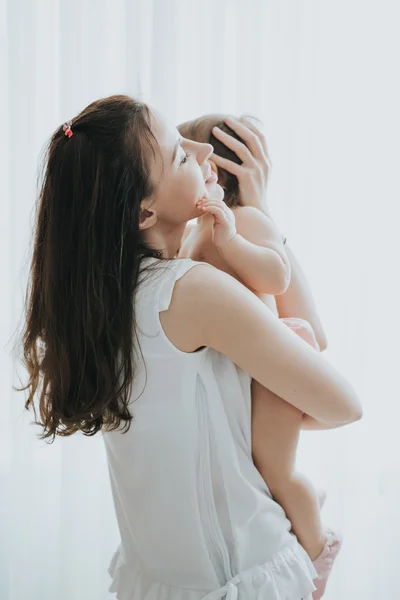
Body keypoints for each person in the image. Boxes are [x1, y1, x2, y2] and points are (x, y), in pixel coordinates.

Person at [18, 95, 362, 600]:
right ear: (143, 210)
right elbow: (341, 402)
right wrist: (259, 213)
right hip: (241, 576)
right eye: (181, 154)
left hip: (156, 577)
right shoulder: (191, 291)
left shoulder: (103, 303)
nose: (202, 153)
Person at [178, 114, 348, 598]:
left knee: (274, 471)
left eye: (188, 157)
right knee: (254, 468)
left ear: (215, 173)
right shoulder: (195, 232)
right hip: (246, 363)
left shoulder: (245, 220)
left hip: (275, 358)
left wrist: (239, 228)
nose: (188, 166)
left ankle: (318, 552)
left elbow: (276, 280)